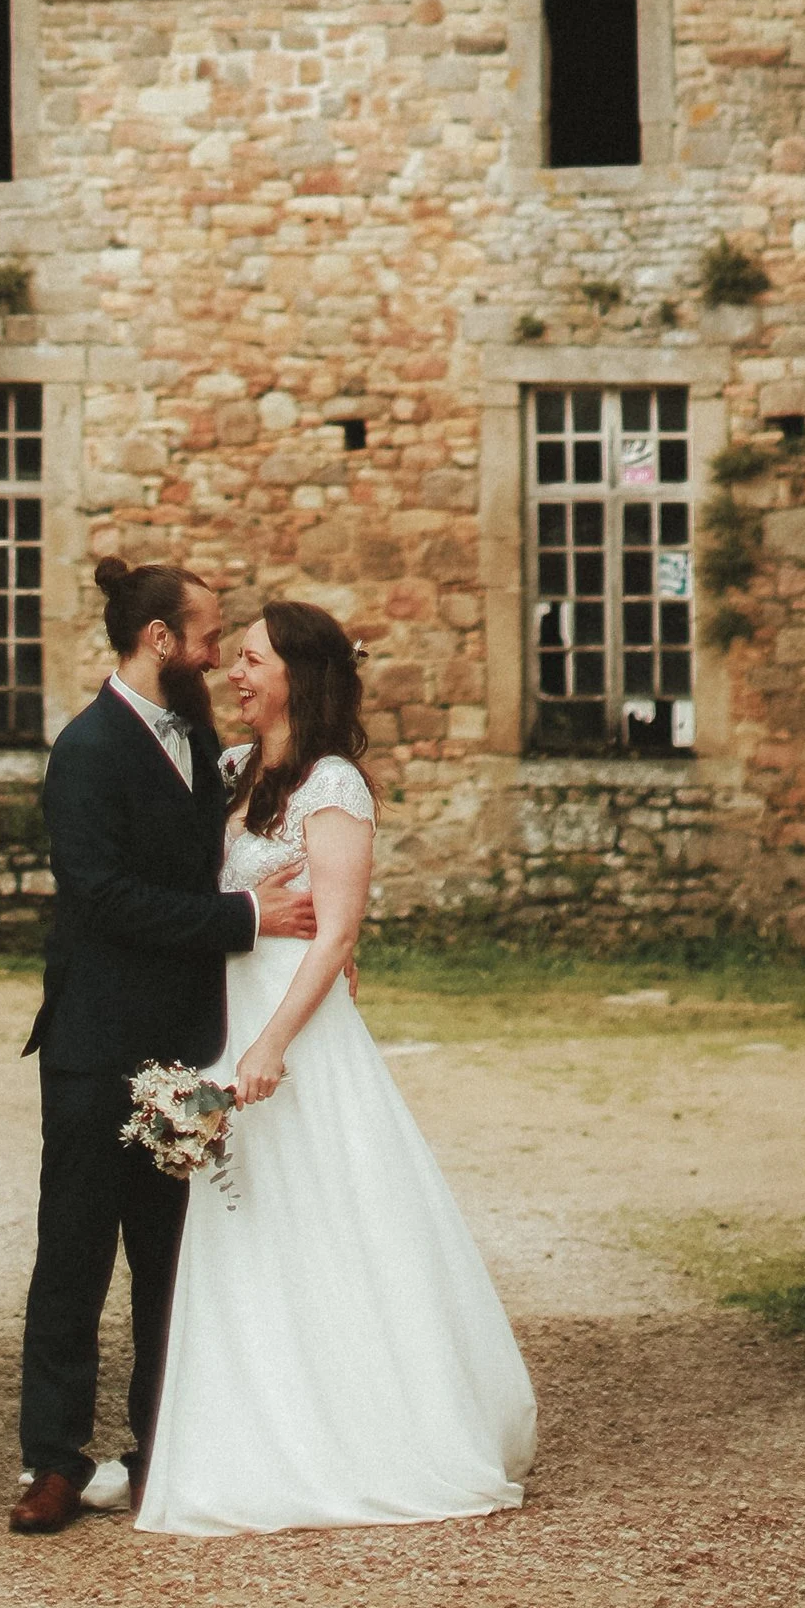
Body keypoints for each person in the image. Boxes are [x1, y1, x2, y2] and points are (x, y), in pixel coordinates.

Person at [134, 599, 536, 1534]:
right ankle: (252, 1431)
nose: (234, 676)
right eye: (233, 659)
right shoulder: (232, 771)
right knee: (248, 1227)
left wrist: (272, 1043)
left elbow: (340, 927)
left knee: (329, 1220)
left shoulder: (335, 786)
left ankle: (368, 1431)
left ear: (298, 677)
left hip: (294, 1027)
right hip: (226, 1010)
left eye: (252, 661)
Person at [11, 556, 316, 1535]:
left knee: (171, 1258)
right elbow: (100, 900)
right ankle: (52, 1462)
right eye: (204, 634)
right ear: (158, 641)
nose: (216, 651)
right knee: (73, 1254)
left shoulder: (199, 743)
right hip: (96, 1047)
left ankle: (160, 1447)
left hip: (186, 1044)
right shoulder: (88, 749)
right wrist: (241, 917)